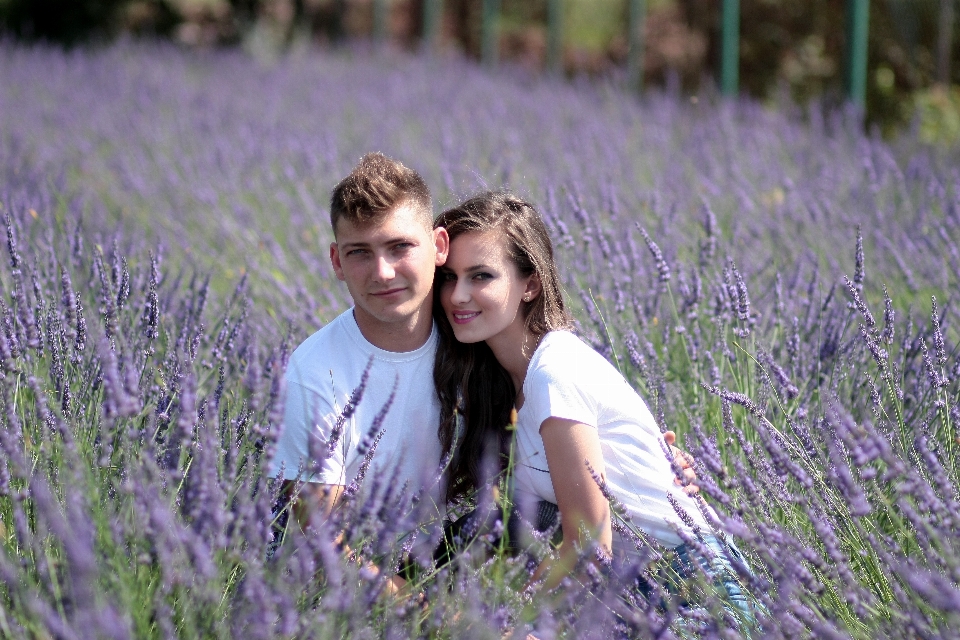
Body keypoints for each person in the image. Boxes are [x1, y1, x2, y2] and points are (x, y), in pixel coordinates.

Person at [432, 191, 755, 619]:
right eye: (449, 278)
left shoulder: (554, 372)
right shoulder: (503, 386)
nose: (457, 295)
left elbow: (588, 547)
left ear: (529, 284)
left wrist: (510, 623)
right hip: (633, 578)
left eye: (481, 276)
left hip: (694, 586)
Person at [269, 153, 449, 590]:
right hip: (364, 590)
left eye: (400, 247)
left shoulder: (477, 342)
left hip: (470, 565)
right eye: (360, 253)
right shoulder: (314, 374)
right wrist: (428, 616)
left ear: (439, 246)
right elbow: (322, 539)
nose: (383, 272)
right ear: (336, 261)